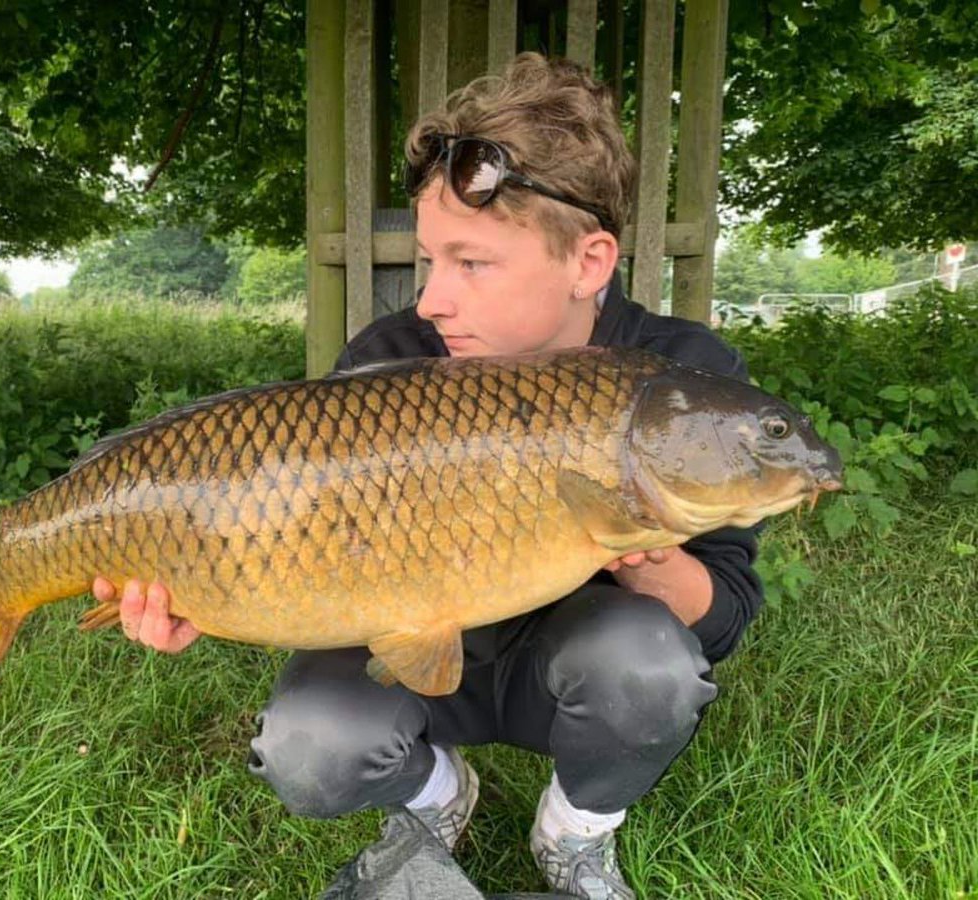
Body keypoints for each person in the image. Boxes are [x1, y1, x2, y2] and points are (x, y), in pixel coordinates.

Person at [92, 53, 762, 899]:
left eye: (471, 265)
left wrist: (642, 543)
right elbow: (304, 551)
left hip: (572, 663)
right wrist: (203, 593)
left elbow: (725, 614)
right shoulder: (392, 364)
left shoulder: (679, 382)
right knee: (308, 749)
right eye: (430, 262)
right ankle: (434, 797)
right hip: (412, 656)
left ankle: (576, 834)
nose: (433, 300)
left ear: (589, 263)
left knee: (651, 670)